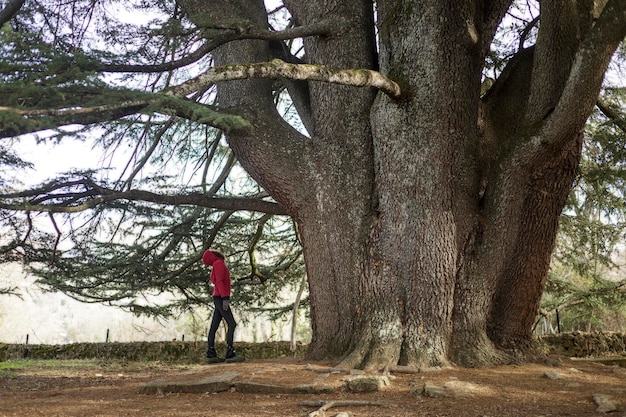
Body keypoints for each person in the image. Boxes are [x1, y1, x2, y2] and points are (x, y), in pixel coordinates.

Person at [202, 248, 245, 364]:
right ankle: (230, 353)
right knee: (232, 324)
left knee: (214, 325)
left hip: (217, 297)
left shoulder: (216, 265)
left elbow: (217, 281)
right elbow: (220, 282)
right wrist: (225, 298)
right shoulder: (219, 263)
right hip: (220, 298)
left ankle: (211, 354)